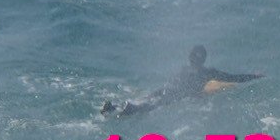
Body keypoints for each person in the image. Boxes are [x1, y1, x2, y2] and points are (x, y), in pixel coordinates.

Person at [102, 45, 262, 117]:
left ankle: (116, 107)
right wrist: (255, 76)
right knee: (148, 107)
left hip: (165, 88)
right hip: (176, 94)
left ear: (190, 57)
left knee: (147, 100)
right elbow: (234, 78)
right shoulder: (208, 72)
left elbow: (172, 82)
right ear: (204, 59)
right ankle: (125, 109)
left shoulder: (183, 68)